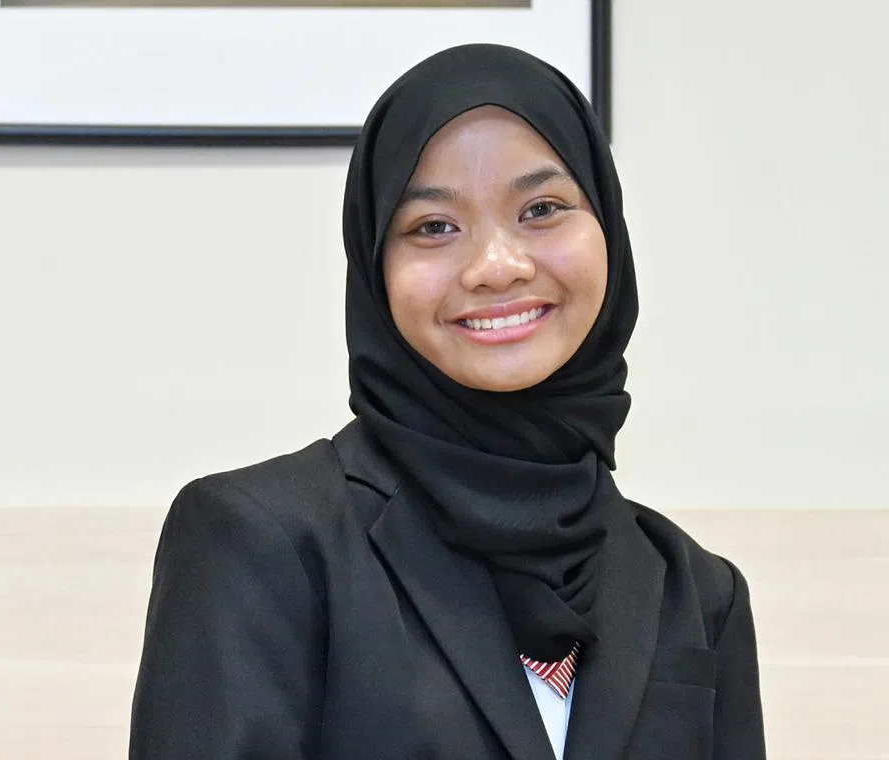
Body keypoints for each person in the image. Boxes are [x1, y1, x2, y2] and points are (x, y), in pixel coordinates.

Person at [129, 43, 765, 760]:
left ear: (609, 232)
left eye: (542, 209)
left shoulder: (697, 592)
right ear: (375, 265)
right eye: (434, 227)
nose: (497, 267)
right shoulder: (263, 542)